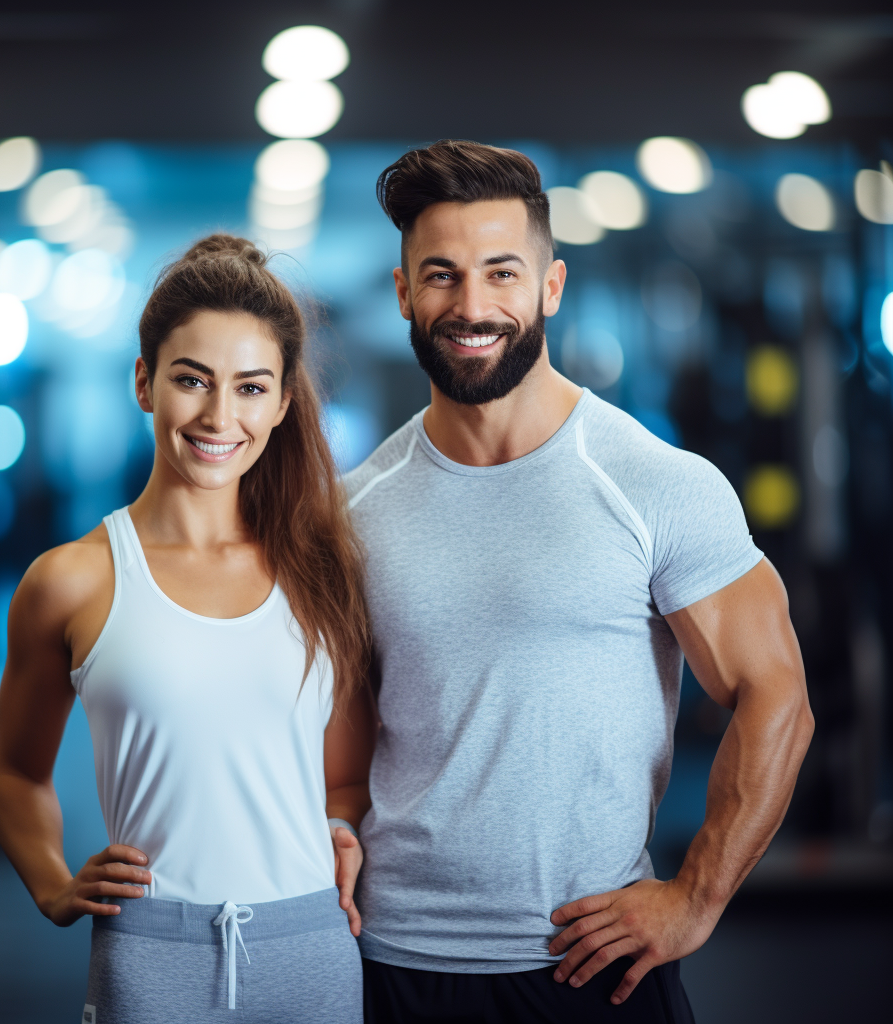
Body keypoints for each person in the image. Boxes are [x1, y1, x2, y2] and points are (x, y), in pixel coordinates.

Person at [344, 140, 814, 1024]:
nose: (472, 305)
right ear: (405, 294)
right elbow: (337, 727)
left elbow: (775, 694)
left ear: (551, 287)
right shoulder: (354, 507)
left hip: (585, 965)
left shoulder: (651, 482)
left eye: (502, 273)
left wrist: (697, 898)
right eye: (440, 276)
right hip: (390, 960)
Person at [0, 235, 376, 1023]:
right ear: (145, 381)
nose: (219, 416)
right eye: (192, 380)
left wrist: (338, 827)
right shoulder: (70, 580)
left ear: (282, 402)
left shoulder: (320, 571)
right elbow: (16, 777)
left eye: (250, 387)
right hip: (149, 953)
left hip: (312, 950)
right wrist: (55, 886)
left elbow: (344, 775)